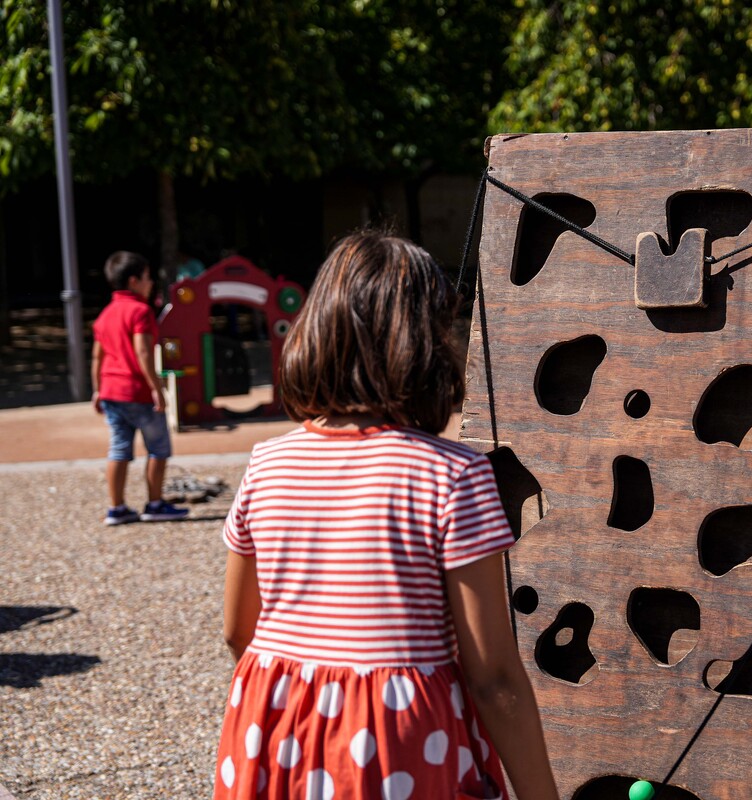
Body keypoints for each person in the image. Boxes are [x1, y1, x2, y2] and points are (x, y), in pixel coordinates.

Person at [214, 232, 558, 800]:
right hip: (397, 744)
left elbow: (237, 631)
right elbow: (494, 679)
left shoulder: (267, 463)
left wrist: (299, 700)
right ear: (426, 343)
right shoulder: (452, 475)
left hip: (270, 729)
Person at [91, 251, 190, 525]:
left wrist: (97, 388)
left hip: (111, 391)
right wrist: (157, 388)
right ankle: (155, 503)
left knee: (119, 449)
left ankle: (117, 507)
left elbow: (97, 356)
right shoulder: (141, 311)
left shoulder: (106, 314)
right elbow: (143, 352)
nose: (150, 284)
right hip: (137, 391)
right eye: (147, 278)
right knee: (158, 448)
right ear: (134, 281)